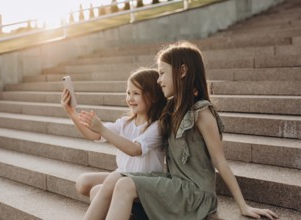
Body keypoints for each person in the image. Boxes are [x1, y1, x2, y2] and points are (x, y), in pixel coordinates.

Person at [81, 41, 279, 220]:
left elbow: (219, 161)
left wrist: (243, 206)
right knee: (106, 186)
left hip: (194, 194)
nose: (159, 80)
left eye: (162, 73)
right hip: (174, 185)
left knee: (123, 183)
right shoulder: (171, 110)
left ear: (182, 71)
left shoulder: (201, 112)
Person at [61, 68, 167, 202]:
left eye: (136, 93)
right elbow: (93, 135)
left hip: (142, 182)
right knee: (83, 182)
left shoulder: (157, 126)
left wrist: (101, 129)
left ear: (153, 96)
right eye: (128, 93)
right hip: (122, 175)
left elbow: (135, 149)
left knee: (98, 190)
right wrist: (71, 112)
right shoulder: (125, 123)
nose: (130, 98)